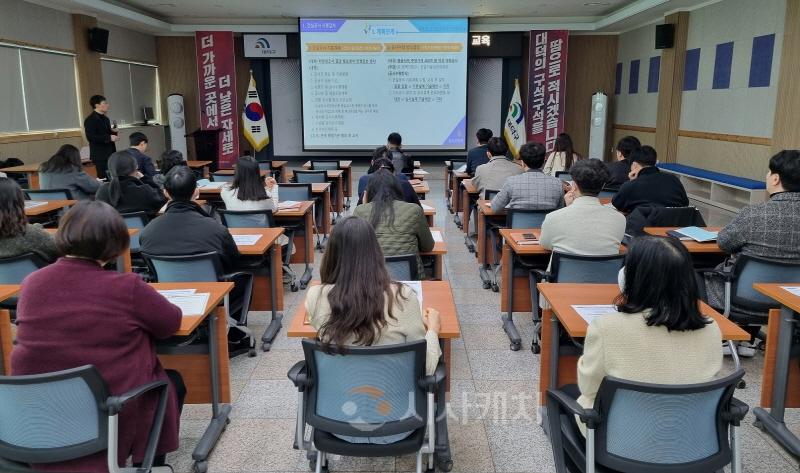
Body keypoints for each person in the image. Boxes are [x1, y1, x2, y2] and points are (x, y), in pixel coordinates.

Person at [11, 200, 184, 472]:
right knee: (171, 383)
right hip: (107, 413)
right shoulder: (126, 287)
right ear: (115, 244)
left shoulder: (33, 283)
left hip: (39, 417)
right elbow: (170, 323)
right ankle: (144, 464)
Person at [576, 236, 722, 435]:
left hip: (622, 442)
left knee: (568, 400)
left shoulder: (606, 328)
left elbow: (589, 388)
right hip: (691, 440)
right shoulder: (712, 328)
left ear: (631, 279)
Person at [307, 216, 441, 378]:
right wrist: (433, 329)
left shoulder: (316, 295)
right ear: (375, 252)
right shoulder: (403, 296)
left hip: (340, 395)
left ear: (331, 255)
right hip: (393, 395)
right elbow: (425, 367)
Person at [703, 150, 800, 354]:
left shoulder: (753, 215)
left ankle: (720, 338)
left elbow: (723, 243)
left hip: (743, 298)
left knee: (695, 276)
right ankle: (747, 338)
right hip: (791, 303)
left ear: (775, 179)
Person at [140, 165, 240, 272]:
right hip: (210, 286)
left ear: (165, 193)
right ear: (196, 192)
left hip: (164, 288)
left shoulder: (147, 233)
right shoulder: (217, 230)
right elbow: (233, 261)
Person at [353, 170, 434, 278]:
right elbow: (428, 246)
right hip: (410, 280)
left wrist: (364, 204)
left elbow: (355, 248)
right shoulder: (414, 210)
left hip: (370, 280)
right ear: (398, 189)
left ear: (369, 191)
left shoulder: (360, 211)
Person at [540, 159, 625, 258]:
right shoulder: (620, 219)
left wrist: (569, 208)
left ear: (574, 185)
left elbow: (544, 244)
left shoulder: (553, 217)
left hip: (564, 273)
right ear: (603, 185)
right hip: (606, 273)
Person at [221, 156, 288, 246]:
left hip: (236, 238)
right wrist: (273, 188)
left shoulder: (225, 192)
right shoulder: (264, 196)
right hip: (264, 238)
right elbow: (274, 209)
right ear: (257, 172)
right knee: (287, 239)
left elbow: (244, 199)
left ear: (237, 172)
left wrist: (265, 189)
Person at [611, 145, 689, 213]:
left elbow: (617, 203)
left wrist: (631, 182)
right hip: (674, 226)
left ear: (634, 165)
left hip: (643, 227)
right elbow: (685, 203)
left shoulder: (631, 186)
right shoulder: (674, 179)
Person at [491, 141, 565, 212]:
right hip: (546, 225)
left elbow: (495, 207)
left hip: (518, 225)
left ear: (522, 163)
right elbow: (560, 211)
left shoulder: (511, 182)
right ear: (543, 162)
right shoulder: (558, 183)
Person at [0, 177, 59, 263]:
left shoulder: (31, 233)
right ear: (18, 203)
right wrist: (36, 231)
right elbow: (59, 252)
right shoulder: (30, 235)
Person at [96, 150, 166, 215]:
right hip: (143, 228)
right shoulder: (144, 191)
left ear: (110, 170)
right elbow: (161, 198)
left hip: (112, 228)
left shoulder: (102, 192)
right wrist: (144, 179)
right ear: (136, 168)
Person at [83, 94, 118, 179]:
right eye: (105, 103)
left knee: (114, 177)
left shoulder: (106, 119)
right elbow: (90, 137)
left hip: (110, 152)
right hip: (100, 155)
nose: (107, 105)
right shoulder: (90, 120)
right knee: (104, 178)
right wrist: (109, 137)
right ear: (97, 105)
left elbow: (107, 133)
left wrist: (114, 132)